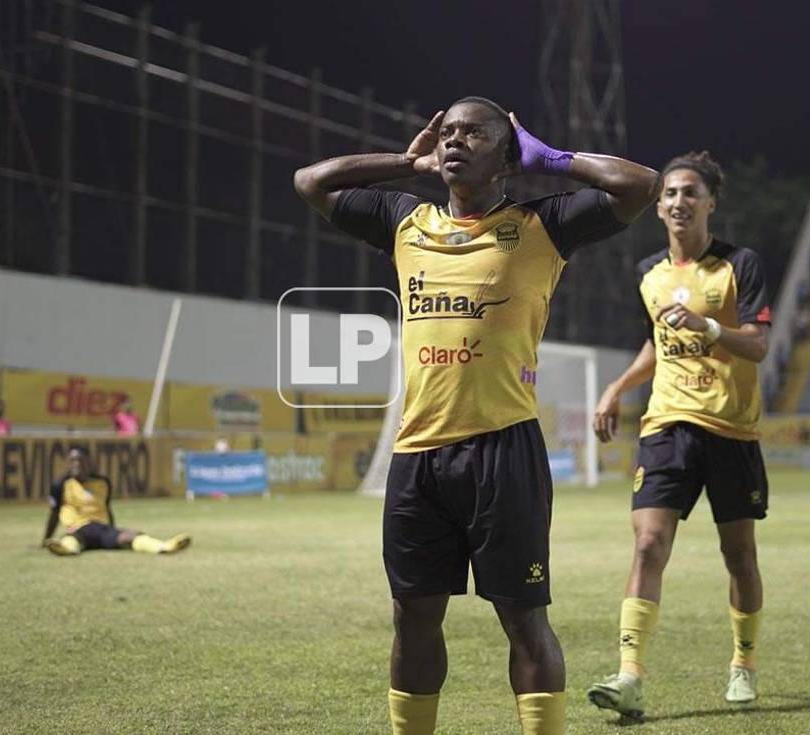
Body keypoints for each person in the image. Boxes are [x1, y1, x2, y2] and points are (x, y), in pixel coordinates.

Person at [293, 96, 657, 735]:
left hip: (502, 451)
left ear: (506, 156)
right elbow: (312, 182)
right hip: (417, 455)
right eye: (450, 132)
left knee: (523, 617)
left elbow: (640, 187)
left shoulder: (543, 224)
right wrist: (409, 161)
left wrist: (555, 159)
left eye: (475, 133)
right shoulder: (405, 220)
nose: (456, 141)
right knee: (412, 613)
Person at [586, 152, 772, 719]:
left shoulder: (739, 264)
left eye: (690, 192)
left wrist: (710, 327)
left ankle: (742, 663)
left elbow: (759, 345)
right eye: (668, 193)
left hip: (731, 428)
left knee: (737, 554)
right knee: (647, 544)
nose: (677, 202)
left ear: (711, 202)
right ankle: (629, 677)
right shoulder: (648, 273)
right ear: (658, 206)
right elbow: (656, 342)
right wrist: (617, 386)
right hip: (667, 424)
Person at [43, 447, 191, 557]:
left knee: (129, 536)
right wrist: (46, 539)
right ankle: (66, 549)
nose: (76, 465)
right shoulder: (60, 484)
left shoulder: (102, 482)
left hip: (101, 528)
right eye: (72, 461)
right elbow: (54, 514)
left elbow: (106, 508)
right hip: (78, 528)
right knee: (72, 539)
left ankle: (164, 546)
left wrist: (112, 530)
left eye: (80, 461)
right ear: (68, 464)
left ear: (89, 462)